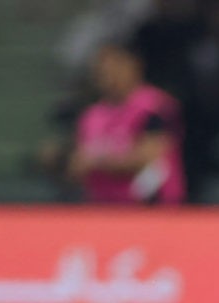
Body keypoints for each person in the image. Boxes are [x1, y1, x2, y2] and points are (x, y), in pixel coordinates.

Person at [69, 41, 186, 204]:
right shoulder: (91, 115)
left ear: (134, 66)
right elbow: (77, 165)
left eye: (115, 67)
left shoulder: (155, 106)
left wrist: (97, 161)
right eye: (101, 70)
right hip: (101, 209)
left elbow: (148, 156)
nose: (108, 75)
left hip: (150, 210)